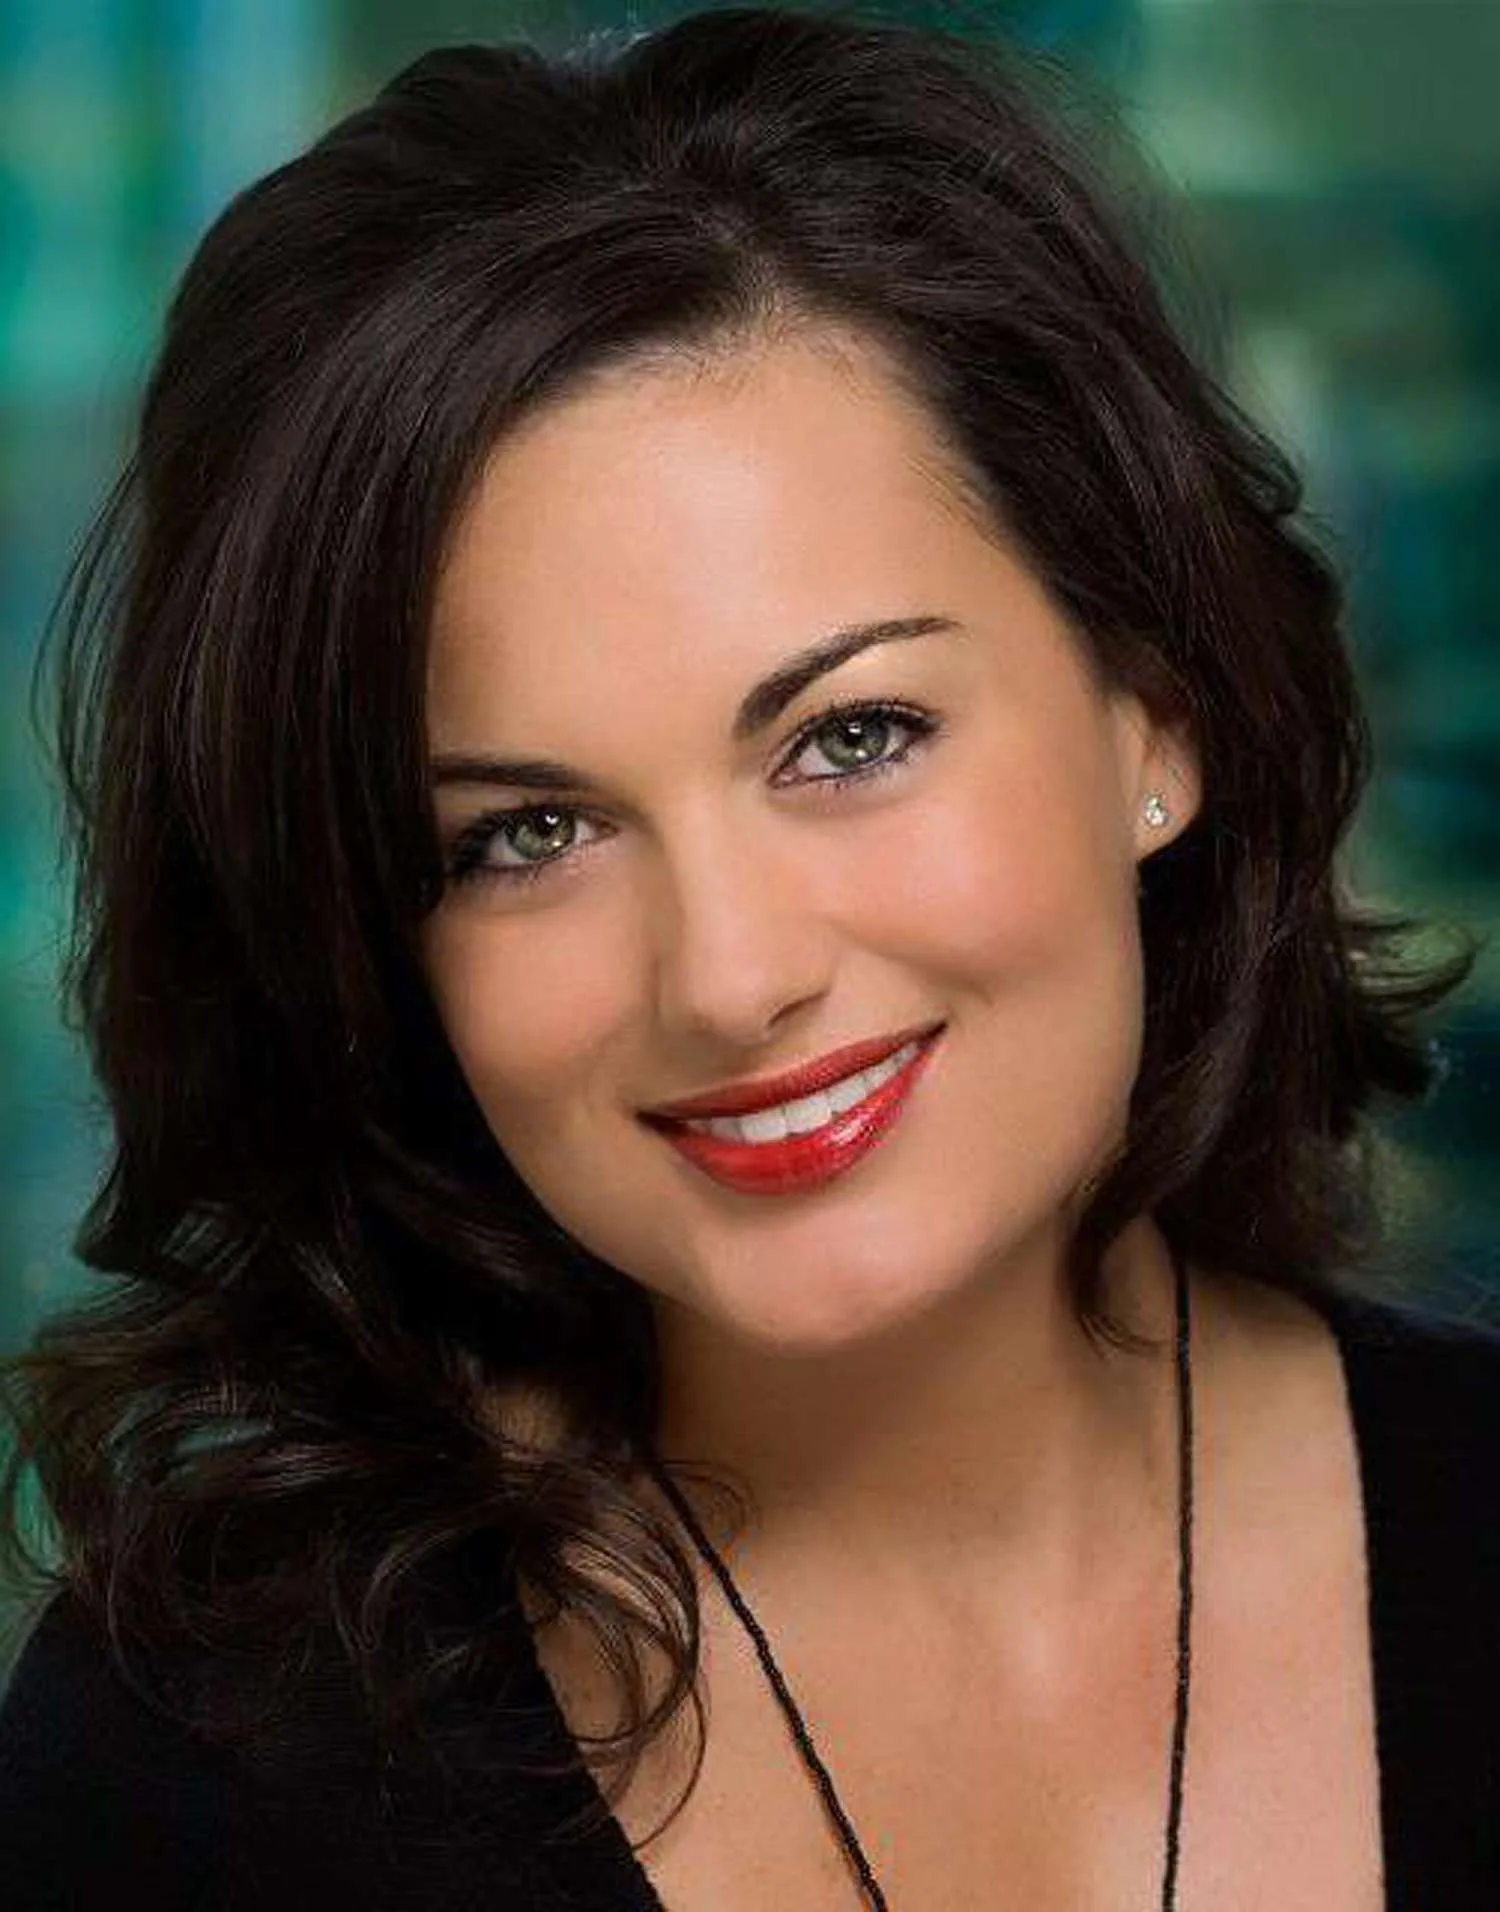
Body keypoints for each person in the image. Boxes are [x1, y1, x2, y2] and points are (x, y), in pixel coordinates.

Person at [0, 6, 1493, 1908]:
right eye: (525, 834)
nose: (726, 976)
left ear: (1156, 712)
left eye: (851, 737)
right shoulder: (196, 1775)